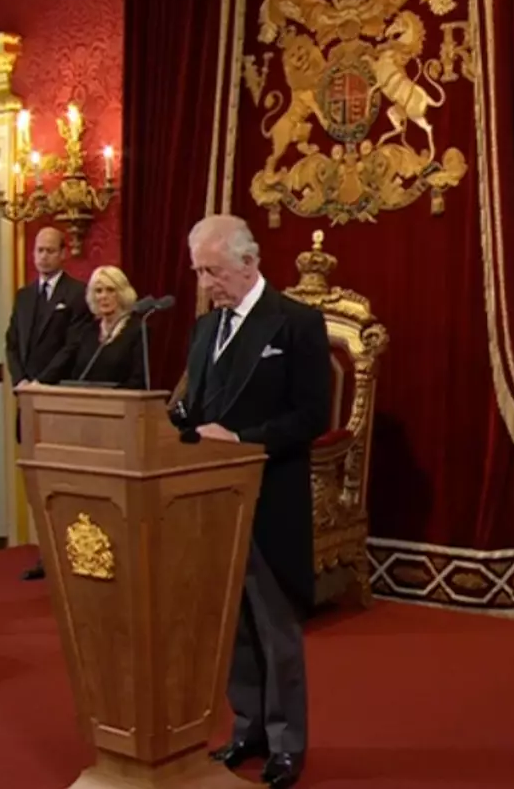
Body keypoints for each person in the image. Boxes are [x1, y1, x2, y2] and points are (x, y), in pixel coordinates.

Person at [184, 215, 329, 788]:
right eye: (198, 272)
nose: (204, 284)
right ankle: (247, 726)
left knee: (275, 627)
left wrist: (243, 441)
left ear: (249, 263)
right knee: (232, 626)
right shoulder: (204, 330)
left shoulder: (296, 323)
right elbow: (193, 409)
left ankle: (287, 742)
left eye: (212, 271)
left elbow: (314, 415)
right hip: (210, 501)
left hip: (269, 500)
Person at [5, 227, 90, 581]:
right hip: (27, 400)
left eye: (49, 251)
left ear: (63, 253)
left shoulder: (77, 294)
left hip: (58, 401)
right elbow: (11, 342)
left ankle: (71, 553)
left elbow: (73, 347)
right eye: (38, 250)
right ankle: (45, 552)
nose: (42, 257)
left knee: (64, 482)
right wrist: (21, 382)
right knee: (35, 482)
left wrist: (43, 384)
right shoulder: (25, 296)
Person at [57, 266, 146, 388]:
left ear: (122, 294)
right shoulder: (87, 331)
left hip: (122, 403)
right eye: (98, 291)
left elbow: (138, 380)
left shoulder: (138, 331)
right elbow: (75, 374)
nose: (103, 296)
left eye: (110, 290)